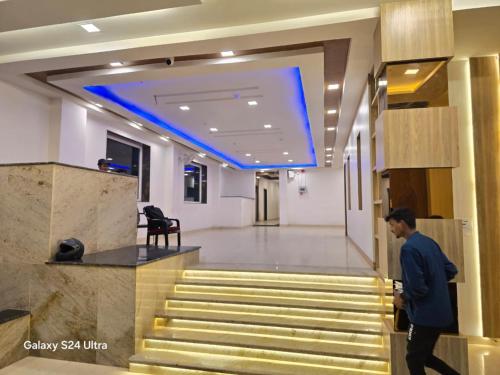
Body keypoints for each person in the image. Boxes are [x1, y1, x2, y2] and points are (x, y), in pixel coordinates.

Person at [385, 208, 460, 375]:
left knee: (413, 359)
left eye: (392, 225)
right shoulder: (429, 242)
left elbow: (418, 288)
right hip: (442, 314)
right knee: (423, 356)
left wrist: (401, 298)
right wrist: (435, 284)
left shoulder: (409, 249)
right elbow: (451, 270)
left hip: (423, 317)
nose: (391, 229)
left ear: (402, 224)